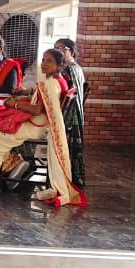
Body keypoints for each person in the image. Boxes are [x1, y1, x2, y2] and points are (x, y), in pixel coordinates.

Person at [0, 48, 86, 207]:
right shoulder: (58, 79)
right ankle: (10, 163)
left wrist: (15, 104)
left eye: (49, 61)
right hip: (41, 122)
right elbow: (40, 101)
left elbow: (37, 110)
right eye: (43, 60)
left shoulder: (51, 83)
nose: (44, 64)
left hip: (38, 125)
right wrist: (25, 96)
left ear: (59, 66)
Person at [54, 37, 86, 186]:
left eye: (61, 49)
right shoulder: (77, 67)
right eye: (55, 48)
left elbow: (63, 94)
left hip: (70, 115)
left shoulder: (68, 69)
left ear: (71, 52)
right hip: (77, 113)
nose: (57, 52)